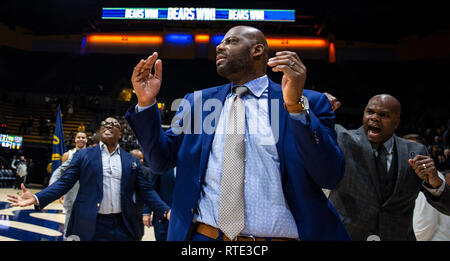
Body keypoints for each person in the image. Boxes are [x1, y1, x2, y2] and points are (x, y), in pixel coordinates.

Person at [125, 25, 349, 241]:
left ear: (257, 50)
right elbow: (160, 162)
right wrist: (145, 103)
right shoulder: (198, 103)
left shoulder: (307, 102)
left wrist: (296, 108)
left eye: (230, 41)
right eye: (220, 43)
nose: (219, 47)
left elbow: (329, 175)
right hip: (205, 237)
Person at [8, 117, 170, 241]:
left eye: (114, 124)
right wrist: (37, 197)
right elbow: (65, 182)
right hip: (91, 223)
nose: (108, 125)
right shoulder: (83, 155)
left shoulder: (131, 160)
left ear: (120, 134)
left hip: (123, 224)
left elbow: (147, 190)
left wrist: (166, 210)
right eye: (105, 123)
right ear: (100, 131)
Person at [324, 92, 450, 241]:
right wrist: (315, 106)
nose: (375, 117)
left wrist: (435, 182)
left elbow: (446, 207)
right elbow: (303, 134)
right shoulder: (340, 138)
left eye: (383, 115)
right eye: (370, 112)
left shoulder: (415, 152)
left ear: (396, 123)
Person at [48, 131, 88, 239]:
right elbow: (64, 174)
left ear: (86, 140)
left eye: (83, 137)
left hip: (86, 191)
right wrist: (60, 191)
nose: (81, 139)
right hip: (71, 190)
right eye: (78, 137)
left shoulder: (91, 154)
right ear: (75, 139)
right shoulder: (67, 155)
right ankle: (67, 237)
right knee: (69, 218)